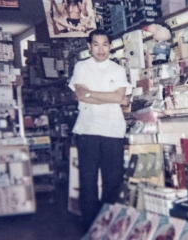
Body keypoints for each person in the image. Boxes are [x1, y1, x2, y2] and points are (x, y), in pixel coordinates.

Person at [68, 29, 132, 230]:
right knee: (87, 181)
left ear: (110, 46)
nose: (101, 49)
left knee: (112, 181)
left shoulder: (117, 69)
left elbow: (119, 97)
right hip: (87, 130)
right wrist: (112, 96)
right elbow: (80, 94)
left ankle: (109, 225)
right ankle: (90, 226)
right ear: (89, 46)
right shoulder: (81, 66)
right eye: (96, 44)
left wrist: (91, 95)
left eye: (105, 44)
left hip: (113, 130)